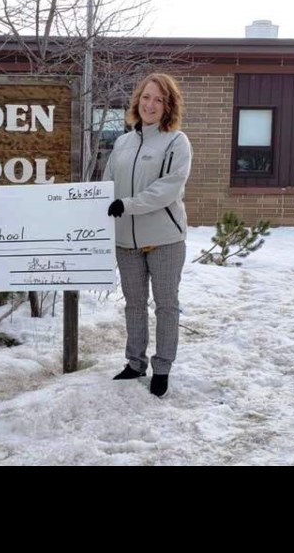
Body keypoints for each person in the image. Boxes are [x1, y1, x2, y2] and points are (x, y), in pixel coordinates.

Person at [103, 73, 192, 398]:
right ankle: (135, 362)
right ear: (136, 101)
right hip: (126, 240)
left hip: (165, 239)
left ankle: (163, 367)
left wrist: (126, 204)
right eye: (146, 97)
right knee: (134, 305)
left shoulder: (175, 141)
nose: (150, 105)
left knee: (166, 305)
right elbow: (107, 183)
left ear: (168, 106)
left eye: (158, 99)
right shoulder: (123, 142)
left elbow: (166, 190)